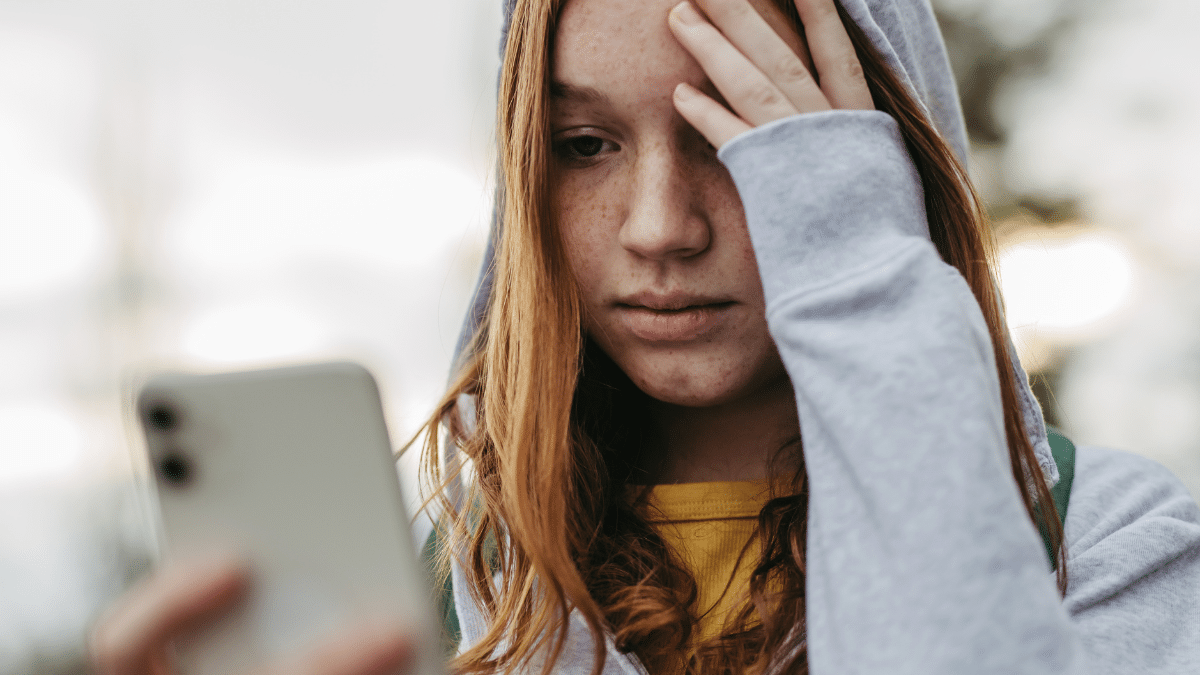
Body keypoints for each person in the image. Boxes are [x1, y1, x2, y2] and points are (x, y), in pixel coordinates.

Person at [91, 0, 1200, 674]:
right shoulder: (445, 598)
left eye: (741, 134)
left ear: (872, 163)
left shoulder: (1107, 546)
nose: (661, 228)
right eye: (583, 145)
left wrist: (857, 266)